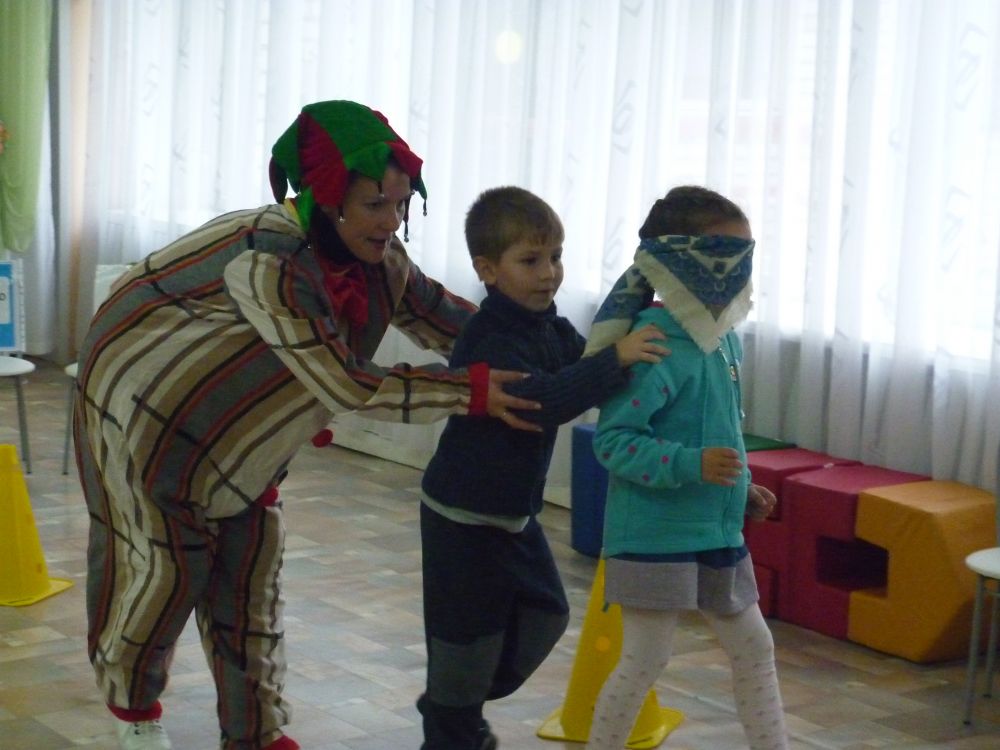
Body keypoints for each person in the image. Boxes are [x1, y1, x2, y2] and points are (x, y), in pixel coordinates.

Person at [73, 100, 542, 750]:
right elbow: (343, 381)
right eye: (375, 204)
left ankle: (257, 735)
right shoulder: (267, 259)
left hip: (246, 438)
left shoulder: (380, 260)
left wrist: (547, 348)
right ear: (328, 199)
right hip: (151, 423)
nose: (392, 221)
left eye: (401, 203)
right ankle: (136, 715)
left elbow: (448, 319)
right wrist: (472, 391)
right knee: (169, 571)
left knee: (249, 580)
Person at [416, 186, 669, 750]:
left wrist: (641, 296)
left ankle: (453, 701)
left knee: (547, 615)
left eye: (555, 256)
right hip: (462, 517)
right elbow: (544, 401)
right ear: (487, 270)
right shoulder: (488, 337)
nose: (549, 273)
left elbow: (591, 366)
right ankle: (453, 724)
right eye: (530, 260)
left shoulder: (550, 328)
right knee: (466, 641)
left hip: (514, 516)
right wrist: (616, 358)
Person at [585, 185, 789, 750]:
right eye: (727, 255)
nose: (739, 270)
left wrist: (741, 488)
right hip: (653, 535)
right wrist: (692, 464)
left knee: (755, 648)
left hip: (715, 532)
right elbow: (614, 442)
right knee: (646, 659)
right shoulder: (654, 346)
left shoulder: (724, 344)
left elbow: (717, 431)